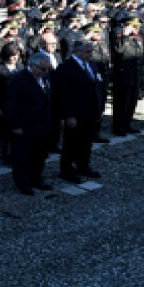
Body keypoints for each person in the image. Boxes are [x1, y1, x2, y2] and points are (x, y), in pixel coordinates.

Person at [54, 39, 104, 182]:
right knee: (71, 143)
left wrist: (99, 109)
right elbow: (64, 95)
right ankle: (66, 169)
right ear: (77, 51)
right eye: (88, 52)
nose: (90, 54)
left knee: (86, 142)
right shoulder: (66, 68)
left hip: (90, 111)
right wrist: (69, 115)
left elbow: (98, 87)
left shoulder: (91, 64)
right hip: (76, 113)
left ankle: (83, 165)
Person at [5, 54, 53, 195]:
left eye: (47, 69)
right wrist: (15, 126)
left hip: (42, 124)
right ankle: (23, 183)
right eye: (42, 69)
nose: (45, 72)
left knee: (39, 156)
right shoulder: (19, 80)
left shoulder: (45, 78)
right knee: (22, 156)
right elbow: (11, 105)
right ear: (32, 66)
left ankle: (36, 179)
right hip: (25, 126)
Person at [0, 42, 22, 165]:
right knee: (3, 132)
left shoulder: (19, 66)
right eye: (12, 55)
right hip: (3, 104)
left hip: (17, 104)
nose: (15, 58)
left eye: (17, 55)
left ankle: (14, 153)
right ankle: (4, 154)